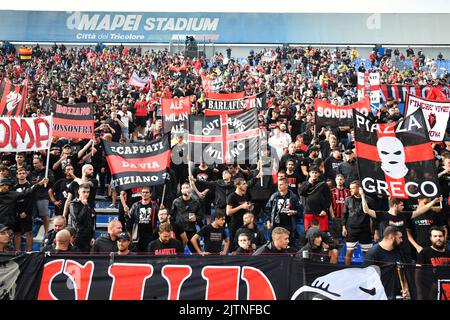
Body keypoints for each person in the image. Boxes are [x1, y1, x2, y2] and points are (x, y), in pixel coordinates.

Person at [360, 188, 441, 262]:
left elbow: (420, 211)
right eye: (401, 205)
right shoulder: (382, 215)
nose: (403, 207)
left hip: (404, 250)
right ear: (395, 205)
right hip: (388, 250)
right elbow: (366, 210)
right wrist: (363, 195)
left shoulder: (404, 215)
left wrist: (433, 202)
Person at [362, 226, 410, 300]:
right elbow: (366, 279)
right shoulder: (373, 253)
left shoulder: (399, 250)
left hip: (398, 294)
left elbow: (403, 271)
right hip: (381, 295)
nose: (401, 240)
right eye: (399, 237)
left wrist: (405, 288)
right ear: (391, 237)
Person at [342, 181, 373, 265]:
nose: (350, 190)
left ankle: (368, 271)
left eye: (352, 188)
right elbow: (344, 214)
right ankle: (346, 270)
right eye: (350, 188)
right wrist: (344, 227)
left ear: (359, 188)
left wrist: (376, 231)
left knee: (368, 254)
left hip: (365, 230)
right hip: (351, 230)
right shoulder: (347, 199)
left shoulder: (369, 200)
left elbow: (374, 217)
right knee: (349, 252)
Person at [415, 227, 450, 300]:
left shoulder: (448, 253)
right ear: (430, 238)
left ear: (444, 237)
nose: (438, 238)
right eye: (435, 236)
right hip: (431, 292)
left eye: (440, 236)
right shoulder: (424, 253)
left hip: (447, 291)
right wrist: (420, 294)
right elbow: (418, 275)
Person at [171, 182, 203, 253]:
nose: (185, 189)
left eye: (187, 187)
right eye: (183, 188)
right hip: (179, 231)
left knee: (197, 253)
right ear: (181, 190)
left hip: (191, 230)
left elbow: (200, 217)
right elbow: (172, 217)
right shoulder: (176, 201)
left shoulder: (196, 202)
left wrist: (196, 218)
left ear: (190, 189)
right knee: (177, 253)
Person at [298, 165, 332, 232]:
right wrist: (309, 183)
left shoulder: (323, 185)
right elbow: (301, 192)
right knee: (309, 232)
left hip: (320, 213)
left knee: (323, 233)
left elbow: (328, 198)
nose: (314, 174)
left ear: (319, 174)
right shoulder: (304, 183)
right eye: (312, 172)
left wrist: (325, 210)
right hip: (308, 212)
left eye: (316, 173)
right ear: (309, 173)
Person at [126, 186, 159, 252]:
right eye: (143, 192)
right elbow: (129, 219)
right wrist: (126, 213)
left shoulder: (155, 205)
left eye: (146, 192)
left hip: (151, 235)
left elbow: (160, 218)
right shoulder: (135, 205)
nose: (144, 194)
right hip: (137, 235)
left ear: (150, 194)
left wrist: (162, 211)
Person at [30, 156, 55, 235]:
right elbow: (32, 183)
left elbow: (51, 182)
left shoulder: (48, 171)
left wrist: (46, 181)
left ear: (41, 163)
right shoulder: (33, 172)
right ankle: (30, 232)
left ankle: (46, 233)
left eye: (36, 163)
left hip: (43, 196)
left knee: (44, 214)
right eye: (33, 163)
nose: (34, 165)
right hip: (33, 196)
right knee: (31, 216)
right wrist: (41, 182)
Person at [69, 183, 96, 252]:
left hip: (88, 238)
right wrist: (85, 206)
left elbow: (92, 223)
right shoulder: (73, 204)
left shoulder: (89, 205)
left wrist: (93, 236)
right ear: (79, 192)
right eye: (84, 192)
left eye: (88, 192)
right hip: (78, 237)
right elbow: (78, 220)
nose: (86, 194)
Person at [226, 178, 252, 251]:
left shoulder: (244, 196)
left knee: (244, 244)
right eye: (243, 184)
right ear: (238, 185)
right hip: (234, 223)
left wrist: (248, 208)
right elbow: (228, 212)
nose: (246, 185)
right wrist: (241, 206)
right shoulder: (232, 196)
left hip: (243, 223)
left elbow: (244, 208)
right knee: (234, 244)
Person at [12, 168, 33, 252]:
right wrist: (18, 213)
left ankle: (29, 252)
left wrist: (26, 212)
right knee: (17, 233)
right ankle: (18, 252)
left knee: (29, 232)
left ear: (26, 174)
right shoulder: (14, 187)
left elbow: (31, 201)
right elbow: (13, 201)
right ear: (17, 175)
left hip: (28, 213)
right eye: (19, 173)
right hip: (17, 213)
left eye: (23, 173)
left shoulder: (30, 186)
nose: (21, 174)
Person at [329, 174, 351, 245]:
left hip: (346, 217)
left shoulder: (348, 192)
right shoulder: (331, 191)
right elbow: (330, 204)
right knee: (335, 236)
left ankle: (347, 250)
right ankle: (337, 249)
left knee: (346, 235)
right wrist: (332, 215)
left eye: (341, 179)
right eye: (338, 179)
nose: (339, 181)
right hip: (336, 217)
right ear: (335, 180)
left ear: (343, 180)